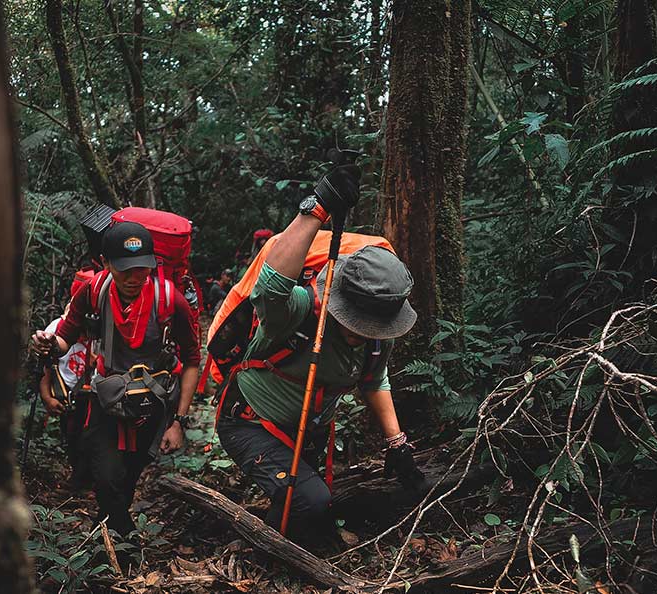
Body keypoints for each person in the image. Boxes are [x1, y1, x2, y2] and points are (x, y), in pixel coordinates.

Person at [216, 160, 427, 542]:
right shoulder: (303, 309)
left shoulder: (380, 329)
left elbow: (374, 378)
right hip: (249, 421)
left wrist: (397, 444)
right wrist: (318, 207)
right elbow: (270, 288)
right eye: (359, 323)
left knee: (309, 503)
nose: (366, 333)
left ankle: (287, 543)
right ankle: (275, 556)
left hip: (306, 431)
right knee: (311, 500)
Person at [31, 222, 201, 537]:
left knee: (129, 475)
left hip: (152, 399)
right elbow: (66, 337)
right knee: (108, 475)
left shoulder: (169, 300)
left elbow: (192, 359)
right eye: (125, 270)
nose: (136, 278)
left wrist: (178, 420)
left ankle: (108, 532)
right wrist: (49, 344)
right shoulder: (93, 292)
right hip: (104, 395)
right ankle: (124, 537)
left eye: (143, 268)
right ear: (106, 263)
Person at [39, 281, 95, 489]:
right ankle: (79, 478)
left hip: (96, 396)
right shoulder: (56, 329)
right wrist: (47, 397)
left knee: (92, 440)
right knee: (72, 437)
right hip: (68, 396)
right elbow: (45, 366)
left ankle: (86, 481)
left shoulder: (100, 332)